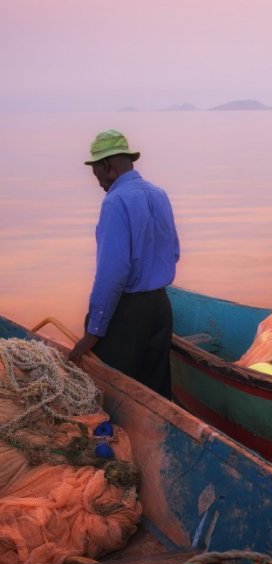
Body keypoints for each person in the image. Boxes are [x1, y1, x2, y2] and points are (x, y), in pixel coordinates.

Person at [69, 129, 180, 398]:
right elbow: (174, 251)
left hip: (129, 313)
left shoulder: (115, 202)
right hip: (160, 309)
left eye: (95, 173)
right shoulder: (159, 194)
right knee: (155, 394)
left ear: (107, 167)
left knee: (111, 393)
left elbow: (113, 274)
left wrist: (93, 331)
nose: (97, 182)